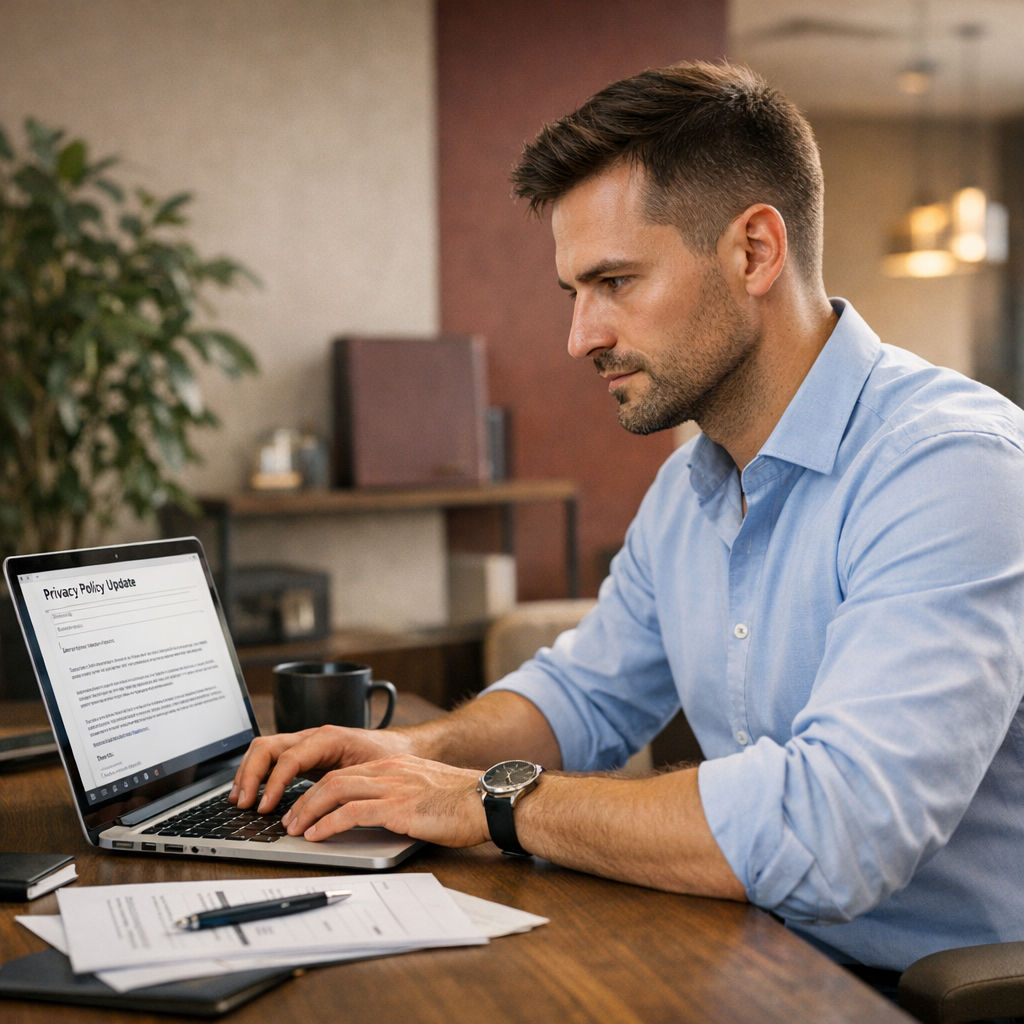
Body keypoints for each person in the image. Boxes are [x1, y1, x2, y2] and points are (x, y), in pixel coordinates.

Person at [231, 62, 1024, 973]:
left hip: (920, 992)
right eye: (574, 293)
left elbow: (838, 829)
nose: (582, 337)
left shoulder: (951, 467)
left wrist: (486, 800)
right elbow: (587, 694)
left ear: (755, 252)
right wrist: (410, 755)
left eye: (614, 282)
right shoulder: (690, 484)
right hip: (745, 953)